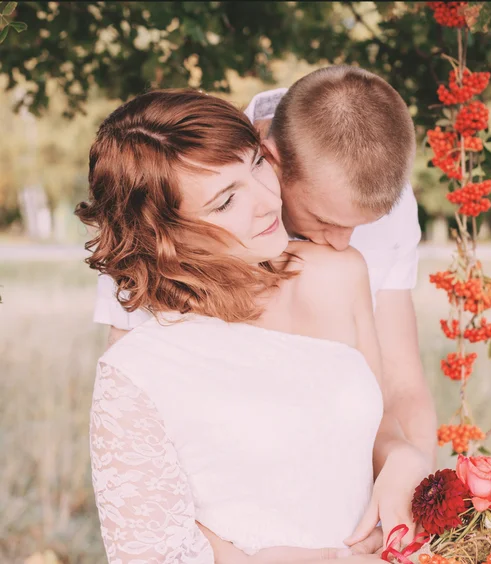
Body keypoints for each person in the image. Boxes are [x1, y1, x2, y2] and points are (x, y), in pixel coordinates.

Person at [92, 66, 437, 552]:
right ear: (168, 235)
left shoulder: (338, 272)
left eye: (256, 167)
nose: (264, 200)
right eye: (226, 200)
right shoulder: (141, 357)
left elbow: (389, 404)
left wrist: (408, 459)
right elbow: (147, 514)